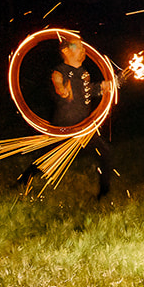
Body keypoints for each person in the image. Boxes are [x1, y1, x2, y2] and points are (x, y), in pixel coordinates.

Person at [50, 35, 115, 198]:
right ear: (66, 51)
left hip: (83, 126)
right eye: (78, 46)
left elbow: (86, 91)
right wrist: (61, 89)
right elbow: (57, 81)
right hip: (66, 125)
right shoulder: (60, 71)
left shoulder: (84, 72)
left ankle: (104, 193)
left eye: (83, 46)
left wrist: (102, 87)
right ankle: (24, 179)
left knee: (105, 153)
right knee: (49, 157)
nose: (83, 49)